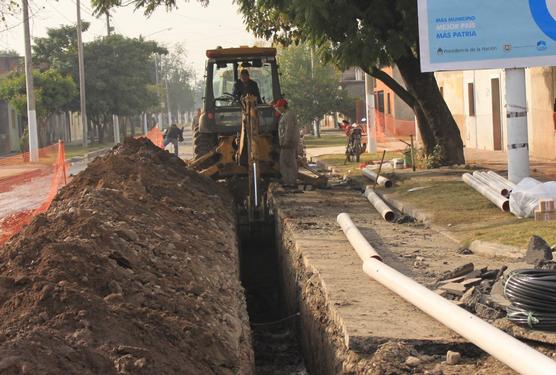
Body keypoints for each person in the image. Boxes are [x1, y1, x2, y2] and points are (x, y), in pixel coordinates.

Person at [273, 98, 299, 187]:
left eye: (278, 107)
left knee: (287, 163)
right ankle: (289, 181)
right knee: (287, 162)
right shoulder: (286, 115)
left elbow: (289, 129)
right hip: (286, 143)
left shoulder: (288, 116)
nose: (277, 109)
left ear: (282, 106)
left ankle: (290, 182)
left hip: (288, 143)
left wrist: (286, 141)